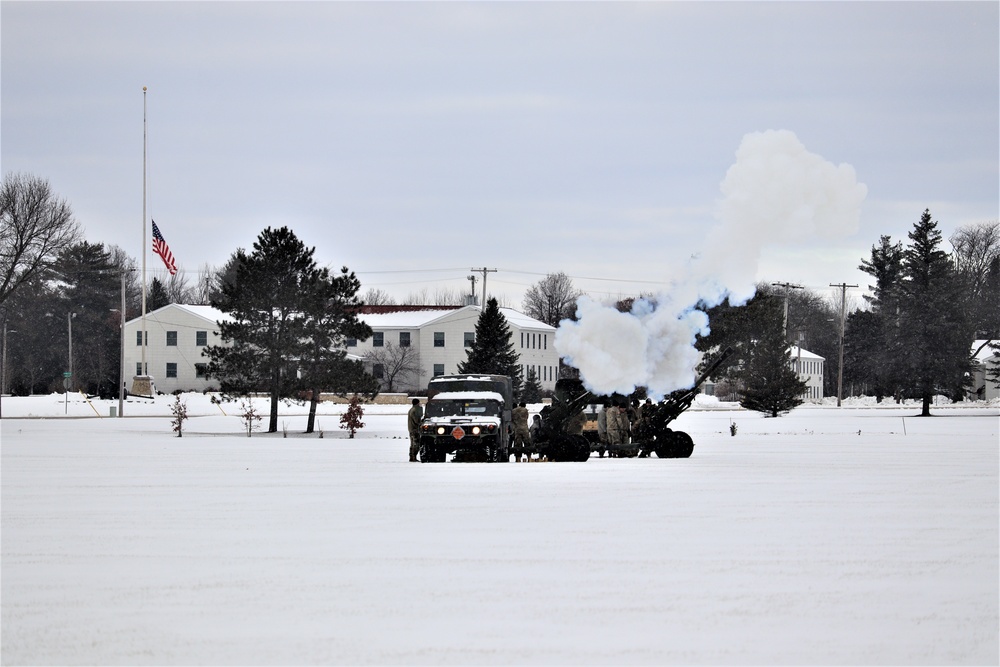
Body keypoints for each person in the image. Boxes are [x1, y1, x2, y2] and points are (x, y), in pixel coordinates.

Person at [407, 398, 423, 462]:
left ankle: (412, 457)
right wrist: (421, 421)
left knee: (412, 444)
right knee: (416, 444)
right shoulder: (414, 410)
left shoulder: (411, 409)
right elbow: (416, 421)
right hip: (414, 429)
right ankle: (413, 457)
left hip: (411, 429)